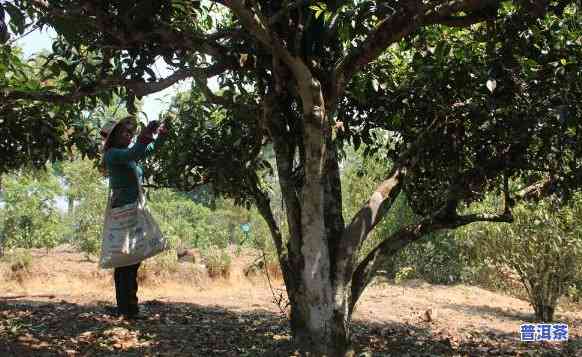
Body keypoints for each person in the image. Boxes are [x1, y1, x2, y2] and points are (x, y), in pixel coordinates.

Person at [100, 116, 166, 319]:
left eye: (130, 133)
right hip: (124, 213)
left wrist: (159, 136)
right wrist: (146, 135)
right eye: (124, 133)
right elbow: (136, 151)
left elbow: (147, 151)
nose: (128, 135)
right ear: (114, 138)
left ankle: (127, 306)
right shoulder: (112, 154)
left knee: (131, 259)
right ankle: (127, 308)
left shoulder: (127, 155)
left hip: (131, 211)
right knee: (125, 261)